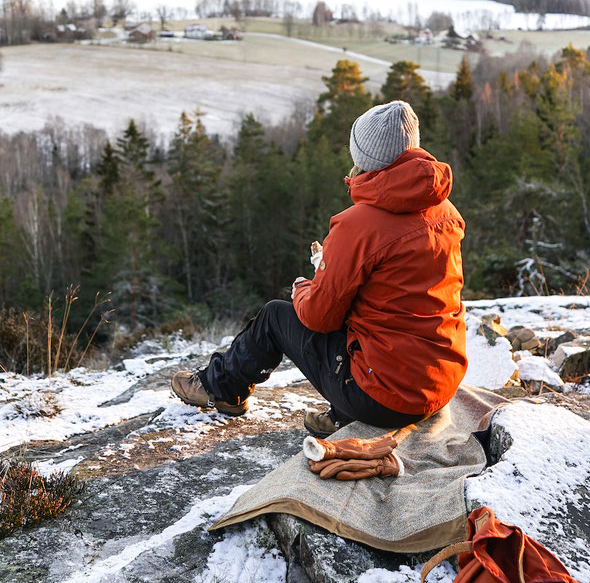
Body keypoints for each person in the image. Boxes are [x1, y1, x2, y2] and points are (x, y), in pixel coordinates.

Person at [170, 99, 467, 437]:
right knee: (379, 320)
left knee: (274, 317)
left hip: (385, 399)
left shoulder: (359, 224)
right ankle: (343, 415)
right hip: (440, 383)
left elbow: (318, 317)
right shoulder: (444, 210)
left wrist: (304, 286)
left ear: (364, 157)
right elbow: (404, 295)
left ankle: (221, 388)